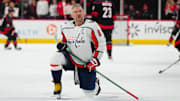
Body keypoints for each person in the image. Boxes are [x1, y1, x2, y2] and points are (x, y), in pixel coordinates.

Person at [50, 4, 105, 98]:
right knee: (55, 59)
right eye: (75, 12)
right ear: (71, 14)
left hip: (85, 63)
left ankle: (95, 84)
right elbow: (64, 42)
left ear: (83, 13)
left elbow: (101, 43)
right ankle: (57, 83)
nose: (78, 14)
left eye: (80, 11)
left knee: (89, 94)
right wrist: (61, 45)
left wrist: (95, 60)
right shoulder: (65, 27)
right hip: (71, 59)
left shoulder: (92, 26)